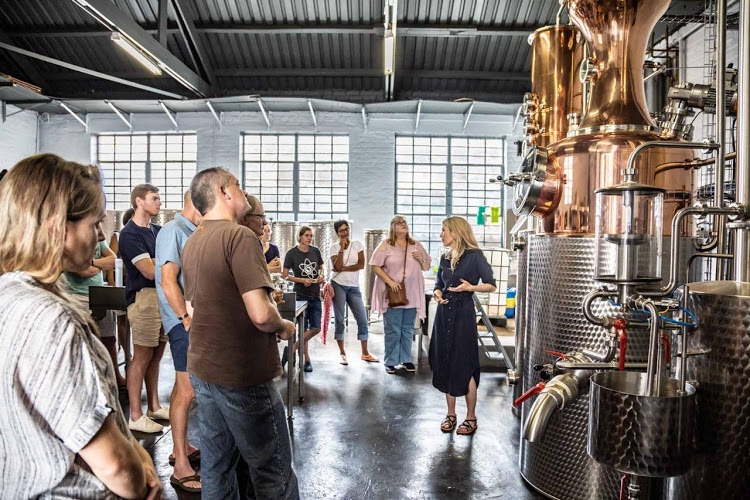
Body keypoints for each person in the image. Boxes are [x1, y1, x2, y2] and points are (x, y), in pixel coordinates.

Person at [0, 153, 162, 498]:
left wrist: (134, 447)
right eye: (94, 223)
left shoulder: (8, 294)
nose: (102, 233)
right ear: (58, 225)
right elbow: (114, 466)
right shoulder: (53, 320)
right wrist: (141, 471)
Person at [182, 167, 299, 499]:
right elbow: (261, 314)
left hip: (204, 369)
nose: (243, 190)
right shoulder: (240, 236)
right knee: (271, 469)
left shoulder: (194, 240)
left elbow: (195, 308)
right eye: (237, 184)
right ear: (224, 192)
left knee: (217, 467)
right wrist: (284, 326)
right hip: (241, 373)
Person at [155, 190, 202, 493]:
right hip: (182, 321)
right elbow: (167, 279)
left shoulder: (194, 231)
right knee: (187, 390)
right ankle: (180, 466)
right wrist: (185, 318)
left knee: (181, 388)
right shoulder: (173, 230)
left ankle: (179, 446)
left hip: (192, 319)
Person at [431, 217, 496, 436]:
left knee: (465, 364)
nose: (441, 234)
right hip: (443, 315)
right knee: (446, 362)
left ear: (456, 232)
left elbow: (491, 285)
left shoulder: (475, 256)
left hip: (463, 316)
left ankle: (471, 417)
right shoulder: (444, 257)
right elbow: (439, 284)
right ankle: (451, 414)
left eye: (444, 230)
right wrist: (437, 294)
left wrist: (471, 287)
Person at [119, 184, 169, 433]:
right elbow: (148, 270)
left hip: (162, 297)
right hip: (144, 299)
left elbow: (168, 263)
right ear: (139, 201)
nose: (160, 202)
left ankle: (154, 406)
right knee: (141, 356)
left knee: (157, 355)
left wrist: (162, 263)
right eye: (155, 198)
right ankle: (136, 415)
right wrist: (168, 265)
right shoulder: (129, 234)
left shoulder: (157, 231)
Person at [370, 215, 431, 374]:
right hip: (393, 294)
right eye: (399, 223)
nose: (403, 225)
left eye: (404, 222)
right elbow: (375, 266)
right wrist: (390, 282)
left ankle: (406, 359)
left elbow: (426, 267)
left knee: (407, 328)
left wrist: (421, 257)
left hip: (412, 294)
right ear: (393, 227)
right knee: (393, 328)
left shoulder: (415, 245)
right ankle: (390, 361)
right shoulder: (386, 245)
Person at [64, 237, 126, 388]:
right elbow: (81, 271)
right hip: (77, 296)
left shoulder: (99, 240)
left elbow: (113, 260)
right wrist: (101, 265)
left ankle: (114, 376)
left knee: (109, 339)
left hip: (99, 295)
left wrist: (91, 263)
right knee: (84, 339)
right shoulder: (71, 241)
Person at [328, 220, 379, 365]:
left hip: (353, 287)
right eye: (341, 231)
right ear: (337, 233)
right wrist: (341, 250)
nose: (344, 233)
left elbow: (361, 265)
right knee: (339, 319)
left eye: (346, 229)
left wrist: (343, 268)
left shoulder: (357, 245)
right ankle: (342, 353)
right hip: (337, 285)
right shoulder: (333, 248)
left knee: (362, 318)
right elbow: (336, 266)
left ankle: (365, 353)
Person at [282, 226, 325, 373]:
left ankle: (291, 349)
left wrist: (320, 276)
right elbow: (285, 275)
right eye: (306, 235)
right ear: (299, 236)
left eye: (311, 236)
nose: (309, 238)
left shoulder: (315, 251)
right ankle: (306, 359)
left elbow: (321, 267)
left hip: (315, 294)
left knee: (316, 328)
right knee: (303, 329)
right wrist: (301, 280)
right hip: (300, 295)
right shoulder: (292, 253)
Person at [240, 193, 281, 273]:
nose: (265, 222)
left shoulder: (253, 244)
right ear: (244, 219)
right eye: (260, 217)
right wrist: (267, 268)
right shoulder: (240, 246)